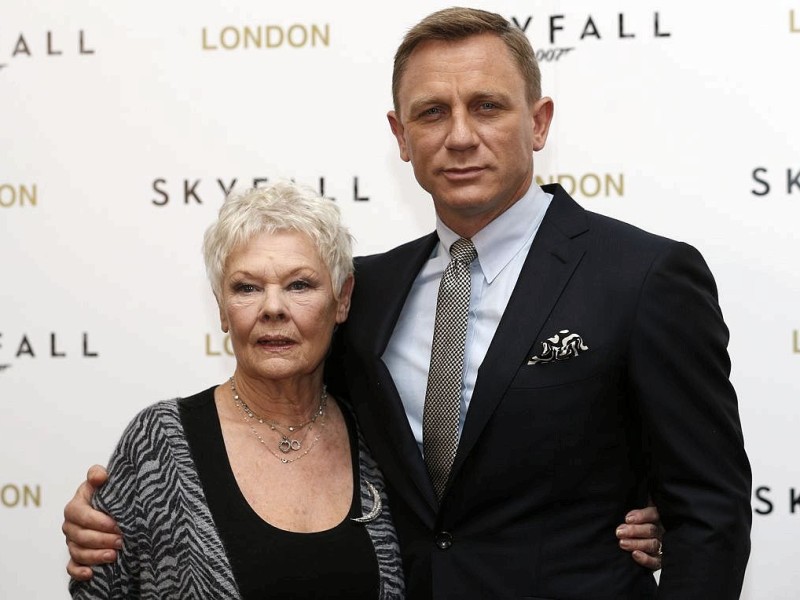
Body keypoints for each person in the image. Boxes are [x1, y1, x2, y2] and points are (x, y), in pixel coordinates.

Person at [60, 5, 721, 597]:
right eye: (432, 112)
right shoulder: (364, 293)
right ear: (401, 136)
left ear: (539, 122)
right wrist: (118, 514)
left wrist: (652, 510)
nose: (459, 136)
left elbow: (709, 510)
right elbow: (287, 424)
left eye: (487, 106)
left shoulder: (644, 277)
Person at [68, 181, 405, 598]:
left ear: (342, 300)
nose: (273, 308)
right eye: (247, 288)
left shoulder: (380, 438)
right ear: (222, 308)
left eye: (300, 285)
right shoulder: (158, 445)